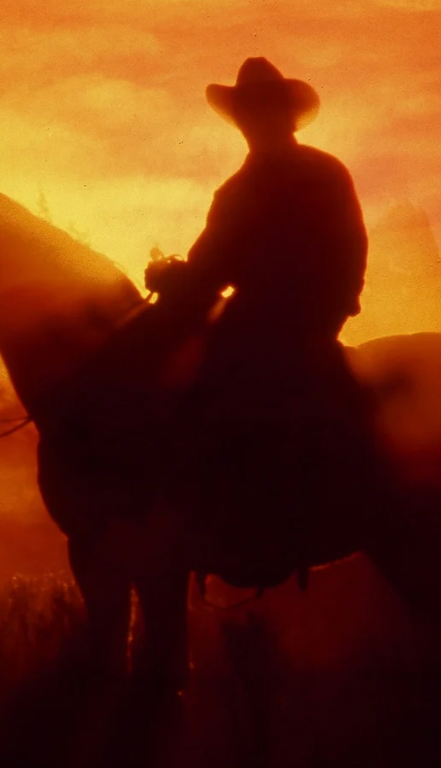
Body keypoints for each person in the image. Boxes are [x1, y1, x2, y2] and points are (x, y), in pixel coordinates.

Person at [145, 57, 375, 588]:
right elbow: (212, 266)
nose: (255, 121)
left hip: (281, 319)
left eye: (262, 110)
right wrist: (180, 278)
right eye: (249, 112)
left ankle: (240, 524)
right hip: (297, 314)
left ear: (282, 115)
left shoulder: (269, 184)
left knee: (207, 389)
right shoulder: (288, 178)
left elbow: (211, 271)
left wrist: (172, 279)